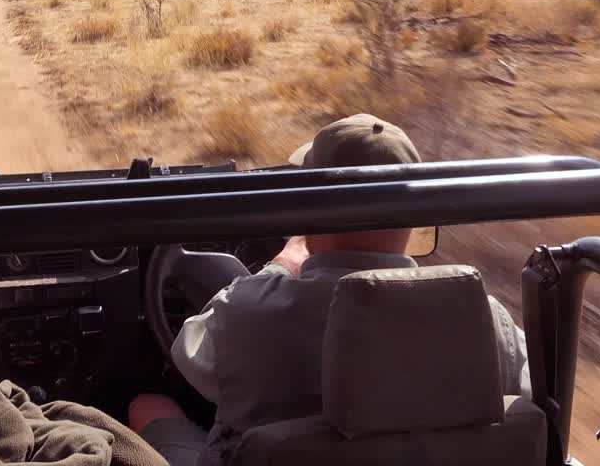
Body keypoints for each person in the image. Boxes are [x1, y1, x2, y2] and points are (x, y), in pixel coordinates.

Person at [128, 114, 531, 466]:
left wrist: (278, 268)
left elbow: (188, 353)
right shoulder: (480, 317)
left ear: (310, 209)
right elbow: (531, 396)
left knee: (148, 404)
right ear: (414, 220)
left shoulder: (251, 312)